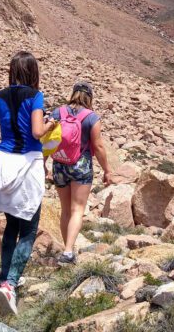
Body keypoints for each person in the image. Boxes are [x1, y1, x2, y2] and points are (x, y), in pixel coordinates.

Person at [0, 51, 56, 316]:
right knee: (29, 229)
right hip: (27, 164)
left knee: (11, 226)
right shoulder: (35, 97)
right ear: (33, 73)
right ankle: (10, 284)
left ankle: (3, 279)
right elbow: (37, 132)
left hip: (3, 164)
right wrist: (51, 124)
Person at [48, 81, 112, 265]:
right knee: (78, 209)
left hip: (59, 163)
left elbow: (48, 140)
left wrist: (43, 162)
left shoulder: (58, 113)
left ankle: (67, 250)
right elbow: (98, 146)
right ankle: (68, 251)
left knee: (65, 209)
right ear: (89, 98)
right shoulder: (91, 117)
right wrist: (107, 170)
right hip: (81, 165)